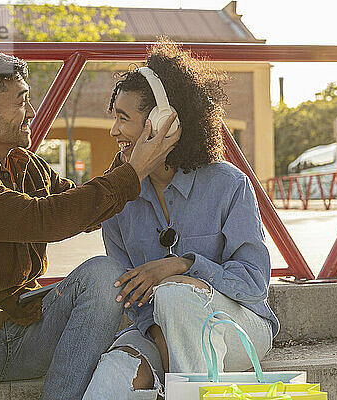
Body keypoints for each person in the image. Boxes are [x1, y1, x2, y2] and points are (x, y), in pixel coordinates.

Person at [0, 49, 179, 400]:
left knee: (103, 275)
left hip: (29, 328)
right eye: (21, 102)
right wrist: (134, 172)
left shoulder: (25, 163)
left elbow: (81, 206)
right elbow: (45, 219)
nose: (32, 112)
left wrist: (131, 154)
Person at [82, 40, 280, 400]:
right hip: (155, 328)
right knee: (115, 370)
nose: (113, 131)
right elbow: (130, 295)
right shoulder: (118, 199)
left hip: (236, 327)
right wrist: (162, 337)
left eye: (122, 118)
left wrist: (182, 266)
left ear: (163, 122)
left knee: (174, 292)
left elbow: (252, 284)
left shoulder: (229, 184)